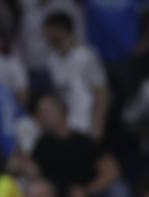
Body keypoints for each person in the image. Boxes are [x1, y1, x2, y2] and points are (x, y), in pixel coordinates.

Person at [42, 12, 109, 142]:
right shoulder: (51, 59)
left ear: (63, 31)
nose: (48, 39)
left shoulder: (86, 56)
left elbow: (102, 93)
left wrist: (97, 127)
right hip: (64, 127)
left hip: (85, 124)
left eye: (53, 36)